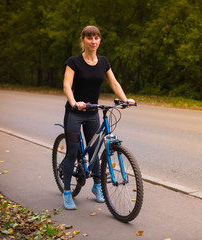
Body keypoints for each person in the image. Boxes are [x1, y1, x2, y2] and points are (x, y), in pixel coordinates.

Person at [62, 25, 134, 210]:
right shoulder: (74, 62)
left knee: (94, 150)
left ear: (99, 40)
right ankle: (67, 192)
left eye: (96, 38)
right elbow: (67, 86)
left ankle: (97, 186)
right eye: (89, 38)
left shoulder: (103, 62)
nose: (93, 41)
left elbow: (114, 83)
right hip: (75, 113)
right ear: (83, 40)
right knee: (72, 152)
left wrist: (125, 100)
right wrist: (73, 102)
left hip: (93, 112)